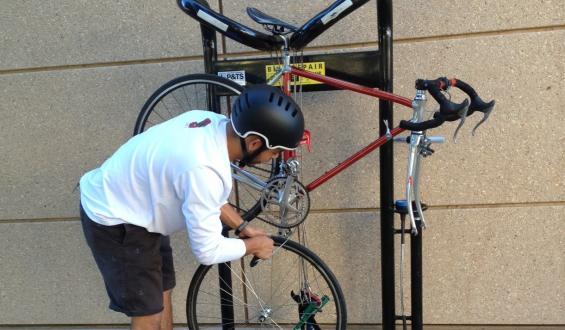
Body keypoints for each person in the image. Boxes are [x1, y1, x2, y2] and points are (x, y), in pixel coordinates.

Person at [79, 84, 305, 330]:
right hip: (116, 216)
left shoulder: (210, 123)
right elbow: (207, 252)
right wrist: (253, 246)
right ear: (253, 143)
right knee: (148, 314)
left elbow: (209, 197)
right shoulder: (203, 168)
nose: (273, 158)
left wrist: (241, 226)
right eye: (275, 152)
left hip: (140, 204)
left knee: (162, 294)